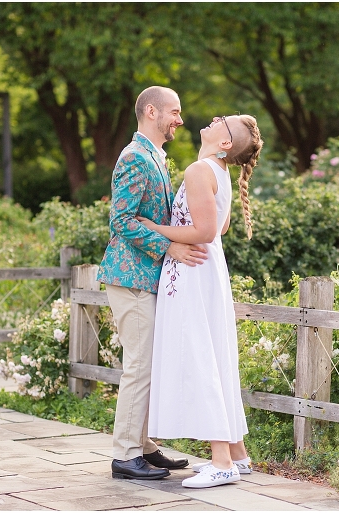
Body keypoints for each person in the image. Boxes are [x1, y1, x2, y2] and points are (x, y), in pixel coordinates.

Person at [140, 114, 263, 488]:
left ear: (226, 143)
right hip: (206, 272)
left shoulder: (199, 170)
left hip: (192, 275)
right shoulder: (216, 171)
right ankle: (237, 454)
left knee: (199, 357)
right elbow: (221, 225)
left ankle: (222, 462)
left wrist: (154, 229)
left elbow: (208, 230)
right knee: (213, 355)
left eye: (220, 121)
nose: (213, 119)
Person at [97, 86, 208, 481]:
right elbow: (121, 222)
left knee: (149, 366)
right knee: (139, 367)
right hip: (131, 278)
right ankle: (125, 455)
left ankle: (144, 446)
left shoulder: (154, 157)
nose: (180, 119)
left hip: (146, 279)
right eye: (174, 112)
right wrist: (170, 248)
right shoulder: (134, 157)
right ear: (151, 111)